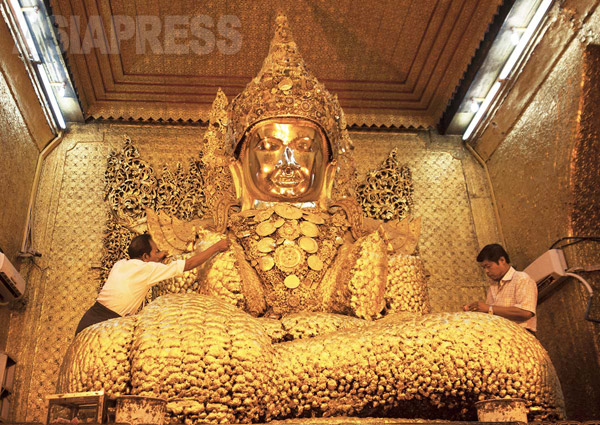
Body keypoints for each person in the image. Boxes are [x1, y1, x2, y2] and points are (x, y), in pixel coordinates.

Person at [75, 233, 229, 335]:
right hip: (103, 325)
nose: (160, 254)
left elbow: (143, 270)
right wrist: (217, 246)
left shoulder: (120, 264)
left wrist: (157, 258)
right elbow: (188, 265)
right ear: (145, 256)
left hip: (89, 318)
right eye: (157, 251)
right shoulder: (147, 269)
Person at [463, 243, 538, 334]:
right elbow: (492, 314)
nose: (486, 271)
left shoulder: (521, 279)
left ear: (502, 260)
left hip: (520, 334)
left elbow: (526, 313)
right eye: (484, 268)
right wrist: (474, 311)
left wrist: (489, 308)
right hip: (500, 335)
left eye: (488, 266)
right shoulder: (493, 286)